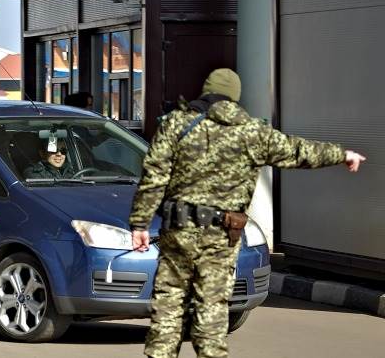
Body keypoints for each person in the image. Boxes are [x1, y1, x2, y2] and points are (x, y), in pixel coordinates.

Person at [129, 68, 366, 358]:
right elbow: (298, 150)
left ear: (206, 91)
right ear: (234, 97)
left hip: (178, 231)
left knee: (169, 301)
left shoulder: (177, 124)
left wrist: (140, 224)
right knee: (212, 305)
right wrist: (342, 155)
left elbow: (154, 177)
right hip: (220, 235)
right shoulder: (252, 132)